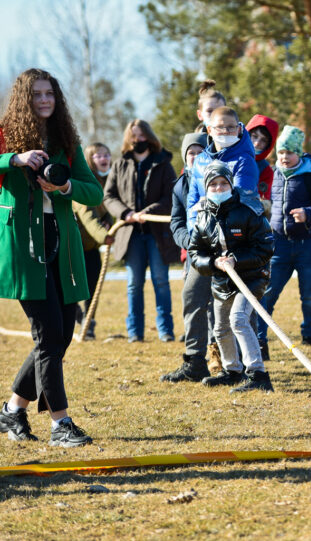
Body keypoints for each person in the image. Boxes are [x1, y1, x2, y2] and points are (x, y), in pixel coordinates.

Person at [0, 68, 102, 446]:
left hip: (62, 246)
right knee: (48, 336)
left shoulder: (65, 140)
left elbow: (94, 192)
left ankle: (12, 411)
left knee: (61, 336)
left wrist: (65, 186)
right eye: (37, 94)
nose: (45, 100)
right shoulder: (5, 135)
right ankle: (61, 424)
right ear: (23, 99)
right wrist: (15, 158)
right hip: (23, 248)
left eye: (50, 94)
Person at [190, 161, 275, 392]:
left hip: (251, 277)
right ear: (206, 187)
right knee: (220, 328)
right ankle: (232, 371)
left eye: (223, 183)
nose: (218, 188)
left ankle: (258, 374)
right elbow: (195, 252)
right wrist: (213, 263)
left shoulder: (249, 210)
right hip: (222, 281)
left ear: (231, 184)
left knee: (238, 319)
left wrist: (237, 260)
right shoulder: (202, 216)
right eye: (213, 184)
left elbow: (266, 246)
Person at [256, 126, 311, 353]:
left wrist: (308, 213)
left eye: (289, 152)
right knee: (267, 293)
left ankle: (309, 334)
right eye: (281, 152)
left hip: (308, 245)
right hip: (278, 245)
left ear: (298, 153)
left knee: (309, 295)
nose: (284, 157)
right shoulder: (273, 174)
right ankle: (260, 340)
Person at [103, 119, 180, 342]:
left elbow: (170, 197)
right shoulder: (120, 164)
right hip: (130, 234)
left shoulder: (163, 163)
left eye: (142, 135)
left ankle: (165, 330)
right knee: (133, 283)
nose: (138, 140)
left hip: (157, 233)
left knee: (161, 280)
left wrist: (147, 212)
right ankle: (135, 332)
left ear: (149, 137)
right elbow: (109, 196)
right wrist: (126, 213)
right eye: (134, 136)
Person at [161, 131, 213, 384]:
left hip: (223, 252)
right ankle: (195, 362)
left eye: (200, 152)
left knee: (224, 307)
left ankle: (234, 362)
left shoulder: (219, 176)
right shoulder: (180, 185)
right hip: (196, 254)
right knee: (192, 298)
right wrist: (190, 242)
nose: (195, 156)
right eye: (191, 152)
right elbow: (177, 222)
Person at [186, 107, 257, 228]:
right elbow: (193, 202)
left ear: (239, 129)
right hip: (204, 232)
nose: (225, 131)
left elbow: (241, 201)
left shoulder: (245, 161)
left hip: (234, 232)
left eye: (231, 127)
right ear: (210, 130)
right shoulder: (200, 161)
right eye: (220, 127)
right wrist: (195, 230)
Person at [73, 142, 115, 339]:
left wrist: (109, 221)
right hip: (74, 245)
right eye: (98, 155)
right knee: (72, 288)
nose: (104, 158)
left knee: (93, 287)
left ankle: (88, 324)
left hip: (91, 246)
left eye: (106, 154)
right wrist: (104, 236)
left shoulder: (109, 181)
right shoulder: (84, 182)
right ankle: (77, 316)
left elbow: (106, 211)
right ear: (89, 160)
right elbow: (87, 215)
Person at [247, 114, 279, 211]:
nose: (257, 143)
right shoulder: (232, 154)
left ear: (269, 145)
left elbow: (262, 200)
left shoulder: (265, 170)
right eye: (255, 136)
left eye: (263, 140)